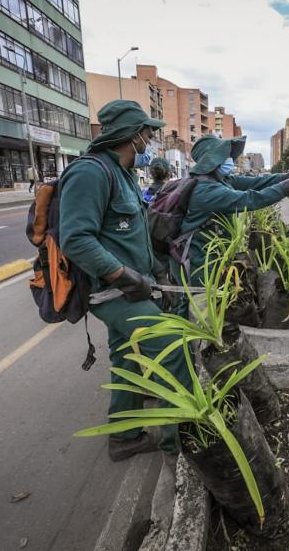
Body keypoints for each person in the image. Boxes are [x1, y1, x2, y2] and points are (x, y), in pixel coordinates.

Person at [59, 100, 188, 461]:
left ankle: (125, 437)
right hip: (113, 292)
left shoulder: (125, 174)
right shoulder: (90, 173)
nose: (152, 137)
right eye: (148, 131)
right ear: (133, 135)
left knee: (127, 358)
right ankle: (178, 446)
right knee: (171, 350)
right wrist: (125, 275)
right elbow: (76, 238)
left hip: (131, 287)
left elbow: (132, 232)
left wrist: (154, 271)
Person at [173, 134, 289, 286]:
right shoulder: (206, 191)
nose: (230, 160)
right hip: (199, 264)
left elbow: (261, 181)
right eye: (225, 156)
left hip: (214, 258)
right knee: (198, 308)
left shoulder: (221, 180)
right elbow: (253, 199)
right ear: (212, 160)